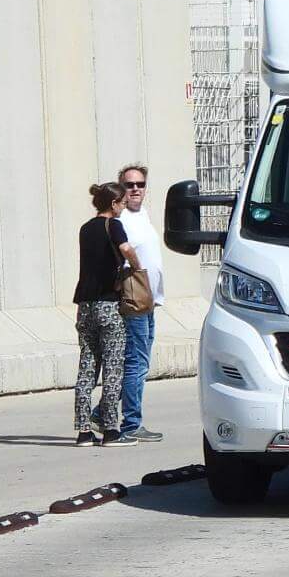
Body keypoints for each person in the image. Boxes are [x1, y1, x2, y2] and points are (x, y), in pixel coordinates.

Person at [72, 182, 137, 447]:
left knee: (87, 367)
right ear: (113, 204)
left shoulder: (85, 228)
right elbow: (126, 250)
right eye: (122, 203)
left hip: (84, 305)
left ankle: (83, 431)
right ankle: (111, 430)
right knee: (113, 367)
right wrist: (137, 267)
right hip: (108, 305)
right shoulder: (114, 225)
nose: (123, 208)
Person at [115, 162, 166, 444]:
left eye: (140, 184)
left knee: (139, 362)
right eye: (129, 185)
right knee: (136, 363)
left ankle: (101, 412)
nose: (135, 189)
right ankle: (131, 423)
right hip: (134, 300)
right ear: (121, 188)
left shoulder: (143, 215)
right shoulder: (120, 219)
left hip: (149, 301)